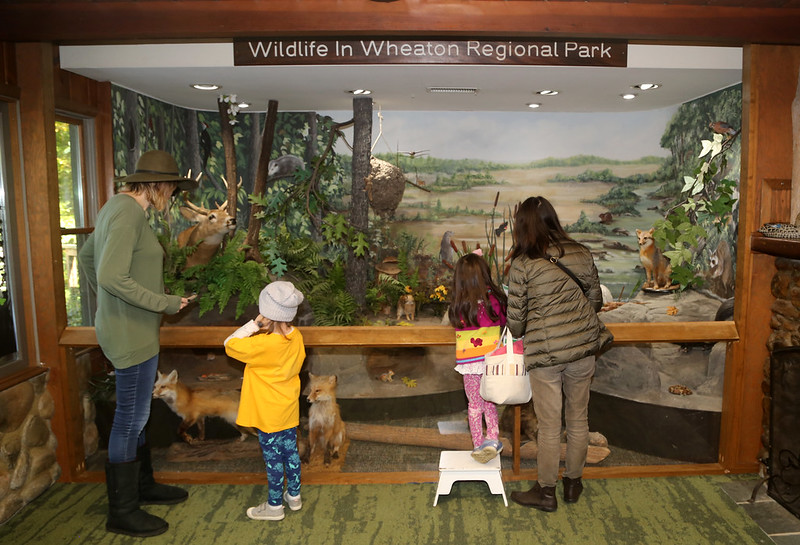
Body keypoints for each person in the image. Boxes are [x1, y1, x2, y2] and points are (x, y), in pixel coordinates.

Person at [78, 150, 198, 537]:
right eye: (173, 189)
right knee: (129, 420)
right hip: (131, 334)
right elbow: (112, 276)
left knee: (137, 415)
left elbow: (87, 259)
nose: (173, 196)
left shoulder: (118, 207)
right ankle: (123, 510)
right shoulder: (128, 212)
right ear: (158, 185)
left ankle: (143, 486)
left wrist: (111, 308)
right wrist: (161, 303)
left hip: (133, 328)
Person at [506, 196, 603, 512]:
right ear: (552, 218)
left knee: (549, 426)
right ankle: (573, 485)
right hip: (583, 350)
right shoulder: (581, 252)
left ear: (522, 226)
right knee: (578, 419)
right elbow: (595, 301)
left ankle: (546, 493)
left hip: (546, 355)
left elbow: (516, 323)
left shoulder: (523, 264)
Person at [224, 281, 306, 521]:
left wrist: (254, 324)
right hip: (288, 409)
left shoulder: (263, 343)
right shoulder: (297, 337)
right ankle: (294, 497)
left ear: (267, 312)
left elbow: (229, 344)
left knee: (273, 460)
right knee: (290, 454)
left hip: (267, 414)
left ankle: (274, 507)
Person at [448, 249, 508, 463]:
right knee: (490, 402)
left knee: (474, 406)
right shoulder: (495, 303)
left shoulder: (459, 306)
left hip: (469, 365)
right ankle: (493, 439)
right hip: (492, 363)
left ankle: (477, 444)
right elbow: (505, 322)